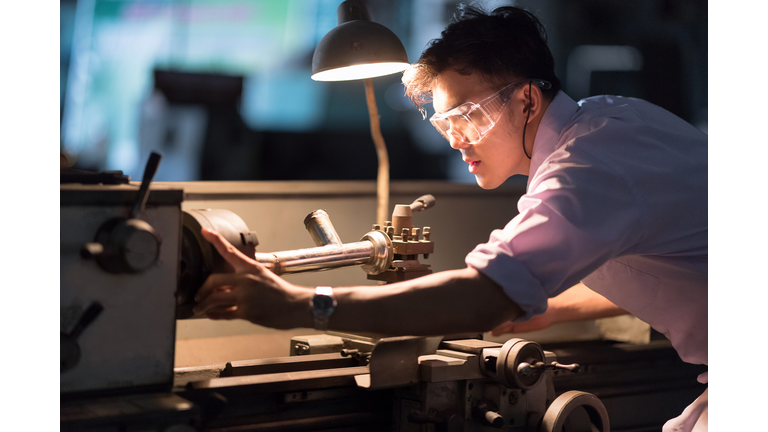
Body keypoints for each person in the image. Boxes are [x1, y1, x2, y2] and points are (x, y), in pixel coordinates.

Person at [193, 4, 707, 431]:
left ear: (527, 98)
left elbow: (484, 296)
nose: (456, 138)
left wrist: (302, 305)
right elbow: (660, 260)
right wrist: (547, 310)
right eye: (443, 123)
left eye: (467, 116)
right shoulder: (610, 120)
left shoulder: (589, 165)